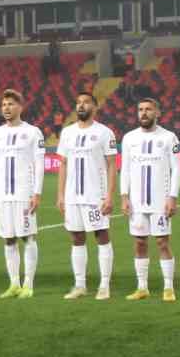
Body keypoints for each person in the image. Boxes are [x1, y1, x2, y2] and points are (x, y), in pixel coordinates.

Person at [55, 91, 118, 300]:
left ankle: (104, 285)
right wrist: (61, 195)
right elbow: (63, 164)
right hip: (73, 196)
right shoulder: (67, 133)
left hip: (95, 196)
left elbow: (111, 166)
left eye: (86, 102)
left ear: (95, 107)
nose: (81, 106)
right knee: (77, 238)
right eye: (78, 102)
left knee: (101, 236)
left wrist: (109, 196)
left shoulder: (104, 133)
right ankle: (80, 285)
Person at [118, 98, 180, 302]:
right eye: (140, 109)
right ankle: (142, 287)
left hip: (160, 201)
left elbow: (177, 170)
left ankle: (169, 288)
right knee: (139, 242)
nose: (144, 113)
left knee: (162, 242)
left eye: (148, 109)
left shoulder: (169, 137)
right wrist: (124, 196)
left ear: (157, 113)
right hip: (136, 201)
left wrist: (172, 197)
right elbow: (125, 169)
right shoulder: (129, 138)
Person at [0, 89, 42, 298]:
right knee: (8, 239)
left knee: (28, 237)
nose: (6, 108)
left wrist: (37, 193)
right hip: (3, 195)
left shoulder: (33, 132)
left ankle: (28, 284)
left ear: (20, 106)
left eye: (10, 104)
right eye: (3, 105)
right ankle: (14, 284)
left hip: (24, 194)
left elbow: (39, 164)